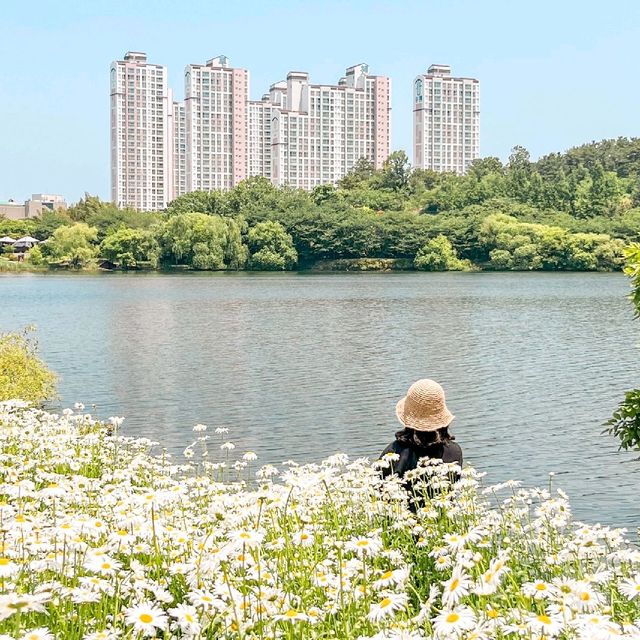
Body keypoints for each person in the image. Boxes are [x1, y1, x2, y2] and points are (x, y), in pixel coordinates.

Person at [379, 379, 462, 506]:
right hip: (442, 518)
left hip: (400, 519)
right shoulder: (454, 452)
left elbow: (375, 492)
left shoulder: (393, 453)